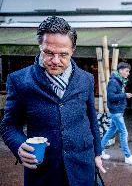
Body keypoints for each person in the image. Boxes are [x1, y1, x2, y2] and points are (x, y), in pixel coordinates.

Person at [0, 16, 106, 186]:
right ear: (40, 47)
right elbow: (9, 126)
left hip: (83, 167)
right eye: (48, 53)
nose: (56, 61)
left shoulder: (86, 79)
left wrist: (97, 154)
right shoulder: (19, 81)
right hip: (43, 173)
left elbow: (91, 119)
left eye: (63, 54)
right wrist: (19, 146)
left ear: (73, 50)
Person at [101, 62, 132, 166]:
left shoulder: (119, 81)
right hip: (116, 112)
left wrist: (125, 95)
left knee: (110, 132)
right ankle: (128, 156)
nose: (128, 73)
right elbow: (110, 97)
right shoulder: (114, 82)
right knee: (124, 133)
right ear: (121, 71)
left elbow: (116, 95)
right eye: (127, 71)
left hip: (117, 110)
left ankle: (98, 151)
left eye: (128, 71)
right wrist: (124, 95)